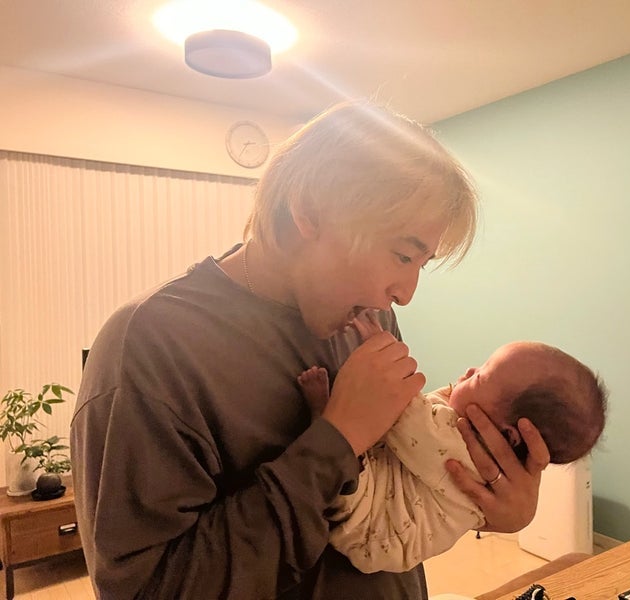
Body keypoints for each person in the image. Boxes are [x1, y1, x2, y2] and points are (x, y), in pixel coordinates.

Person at [70, 100, 552, 600]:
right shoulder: (147, 346)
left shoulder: (368, 316)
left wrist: (488, 501)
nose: (406, 292)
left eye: (420, 264)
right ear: (310, 211)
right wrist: (336, 439)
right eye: (402, 254)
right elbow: (150, 589)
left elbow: (394, 493)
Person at [297, 311, 607, 573]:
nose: (470, 370)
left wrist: (380, 349)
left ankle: (325, 420)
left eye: (480, 377)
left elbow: (404, 414)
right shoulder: (479, 446)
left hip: (375, 532)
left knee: (353, 462)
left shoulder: (467, 453)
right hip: (387, 526)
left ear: (511, 434)